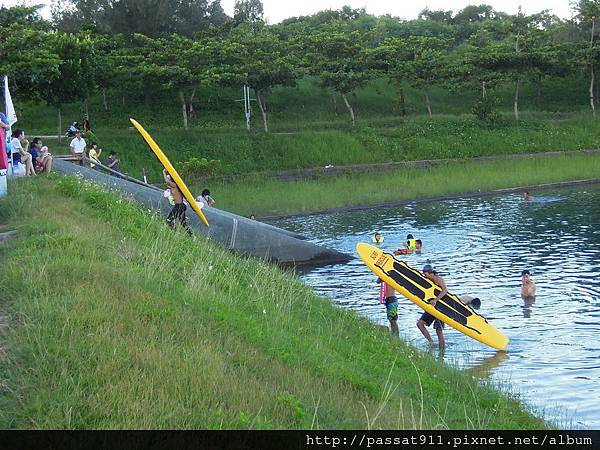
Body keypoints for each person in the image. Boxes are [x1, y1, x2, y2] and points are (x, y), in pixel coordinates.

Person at [417, 264, 447, 348]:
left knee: (438, 330)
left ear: (431, 273)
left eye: (426, 275)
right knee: (420, 324)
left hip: (440, 308)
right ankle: (431, 343)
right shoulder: (427, 280)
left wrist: (436, 300)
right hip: (431, 307)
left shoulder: (439, 279)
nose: (425, 277)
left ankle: (442, 351)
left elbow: (445, 291)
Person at [163, 168, 192, 236]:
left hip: (180, 206)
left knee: (168, 220)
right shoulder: (172, 187)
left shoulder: (175, 185)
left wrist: (164, 172)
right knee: (183, 222)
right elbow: (167, 183)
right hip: (180, 206)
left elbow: (167, 182)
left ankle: (175, 233)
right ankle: (190, 235)